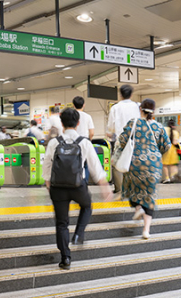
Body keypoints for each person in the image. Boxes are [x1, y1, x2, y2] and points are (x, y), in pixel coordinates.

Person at [43, 108, 110, 270]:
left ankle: (65, 258)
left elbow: (47, 166)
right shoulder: (84, 142)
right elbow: (95, 167)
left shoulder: (54, 142)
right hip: (78, 186)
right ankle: (79, 234)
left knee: (62, 223)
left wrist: (49, 184)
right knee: (87, 206)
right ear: (78, 123)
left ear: (62, 123)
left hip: (58, 187)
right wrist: (104, 186)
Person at [118, 99, 171, 239]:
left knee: (132, 188)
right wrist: (155, 152)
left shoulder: (133, 123)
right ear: (154, 111)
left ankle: (138, 207)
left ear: (140, 109)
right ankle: (146, 231)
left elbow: (122, 141)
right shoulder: (159, 127)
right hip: (153, 165)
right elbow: (167, 145)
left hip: (135, 163)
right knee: (149, 196)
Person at [107, 84, 140, 195]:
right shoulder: (137, 106)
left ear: (120, 95)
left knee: (117, 163)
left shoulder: (115, 108)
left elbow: (111, 127)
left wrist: (111, 132)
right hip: (135, 140)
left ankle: (120, 189)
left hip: (121, 140)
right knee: (134, 163)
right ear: (131, 94)